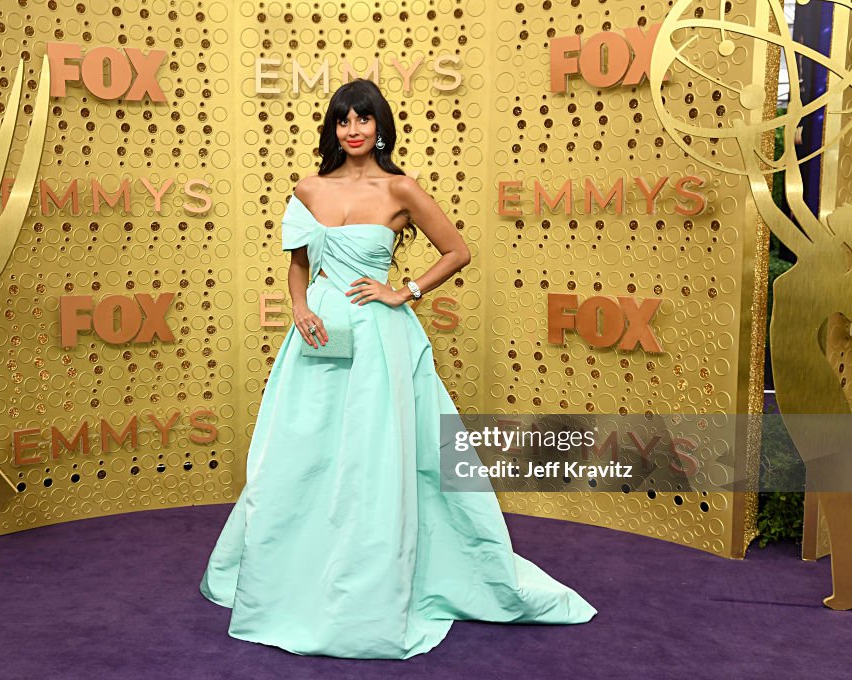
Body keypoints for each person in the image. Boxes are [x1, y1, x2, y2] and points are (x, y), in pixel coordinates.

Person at [199, 79, 596, 659]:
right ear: (332, 129)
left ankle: (379, 579)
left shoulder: (401, 188)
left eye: (363, 119)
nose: (353, 129)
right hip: (317, 338)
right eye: (342, 121)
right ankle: (295, 575)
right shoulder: (307, 188)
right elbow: (299, 264)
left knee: (378, 457)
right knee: (302, 454)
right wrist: (300, 307)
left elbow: (457, 251)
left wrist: (403, 291)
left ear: (380, 126)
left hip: (382, 339)